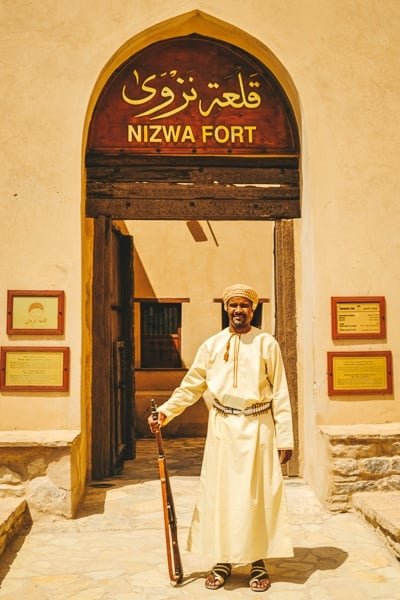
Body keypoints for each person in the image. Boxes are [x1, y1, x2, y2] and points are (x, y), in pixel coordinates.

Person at [148, 283, 294, 592]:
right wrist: (165, 412)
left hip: (259, 428)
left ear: (252, 310)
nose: (238, 310)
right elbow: (191, 387)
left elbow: (280, 391)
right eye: (233, 305)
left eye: (244, 305)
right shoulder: (211, 346)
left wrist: (285, 438)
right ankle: (223, 561)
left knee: (257, 496)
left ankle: (257, 562)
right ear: (226, 309)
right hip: (223, 428)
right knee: (222, 495)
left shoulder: (267, 344)